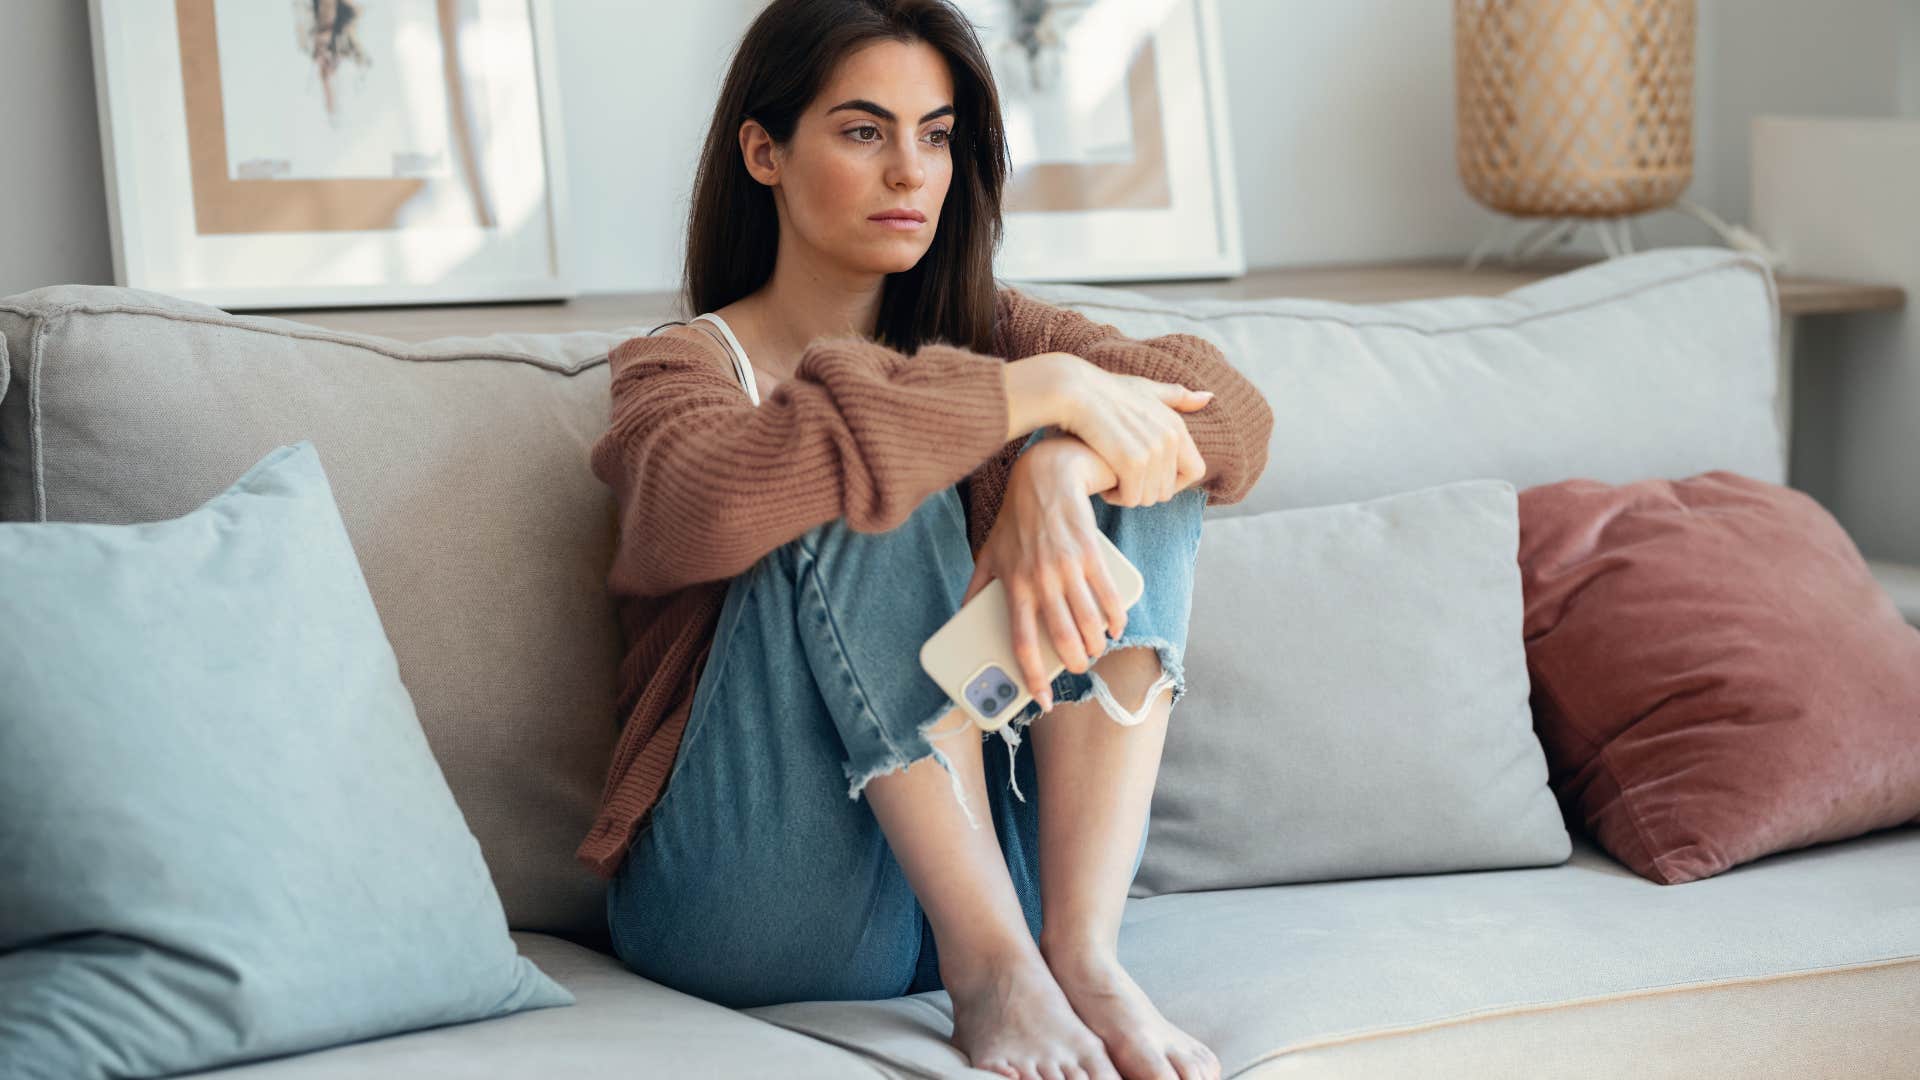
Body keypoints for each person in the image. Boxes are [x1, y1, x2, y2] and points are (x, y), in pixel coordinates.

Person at [583, 3, 1274, 1078]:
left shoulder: (995, 329)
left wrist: (1058, 464)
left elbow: (1227, 408)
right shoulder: (676, 368)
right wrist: (1030, 396)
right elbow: (700, 500)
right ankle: (994, 975)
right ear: (763, 151)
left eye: (938, 134)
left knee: (1146, 448)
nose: (911, 170)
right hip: (762, 896)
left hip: (1002, 861)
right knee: (852, 451)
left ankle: (1082, 957)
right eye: (865, 132)